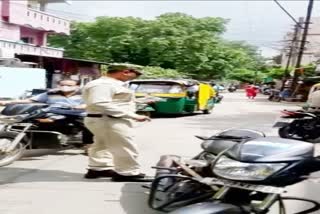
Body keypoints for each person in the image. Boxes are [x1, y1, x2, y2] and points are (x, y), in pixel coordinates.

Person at [82, 63, 151, 181]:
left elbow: (117, 101)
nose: (136, 77)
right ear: (125, 72)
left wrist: (141, 101)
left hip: (105, 119)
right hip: (109, 119)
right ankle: (127, 173)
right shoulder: (103, 84)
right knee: (124, 146)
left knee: (101, 145)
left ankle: (98, 168)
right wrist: (133, 115)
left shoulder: (110, 84)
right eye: (136, 74)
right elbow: (99, 103)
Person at [0, 78, 94, 146]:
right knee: (33, 121)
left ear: (77, 86)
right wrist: (8, 102)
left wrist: (81, 106)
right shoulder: (51, 93)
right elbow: (31, 100)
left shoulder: (85, 94)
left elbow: (92, 103)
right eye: (62, 85)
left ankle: (88, 146)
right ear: (58, 85)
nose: (65, 87)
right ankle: (28, 141)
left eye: (69, 85)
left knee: (88, 126)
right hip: (55, 113)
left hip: (77, 114)